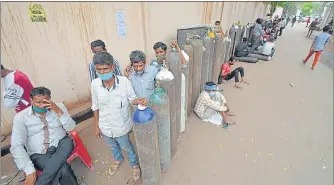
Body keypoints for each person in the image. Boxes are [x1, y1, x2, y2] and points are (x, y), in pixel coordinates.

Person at [10, 87, 87, 185]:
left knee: (67, 143)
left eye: (45, 102)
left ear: (50, 98)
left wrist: (58, 111)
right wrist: (30, 171)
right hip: (39, 153)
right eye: (38, 102)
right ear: (31, 100)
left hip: (62, 144)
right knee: (63, 169)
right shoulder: (21, 118)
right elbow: (16, 146)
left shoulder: (59, 106)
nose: (42, 106)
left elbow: (71, 127)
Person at [91, 51, 148, 180]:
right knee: (111, 145)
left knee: (126, 146)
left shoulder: (124, 82)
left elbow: (132, 99)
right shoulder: (94, 84)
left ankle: (134, 165)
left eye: (105, 69)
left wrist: (138, 101)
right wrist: (96, 126)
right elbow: (95, 106)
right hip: (105, 125)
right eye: (99, 70)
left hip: (121, 125)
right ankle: (118, 159)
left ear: (112, 67)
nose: (102, 72)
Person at [1, 64, 34, 142]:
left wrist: (5, 94)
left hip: (29, 111)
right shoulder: (15, 74)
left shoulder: (13, 80)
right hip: (28, 109)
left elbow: (8, 104)